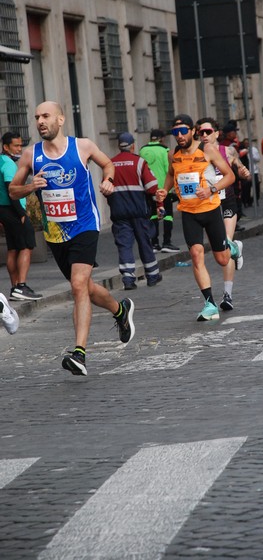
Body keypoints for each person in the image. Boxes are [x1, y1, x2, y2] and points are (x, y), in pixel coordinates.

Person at [9, 101, 135, 376]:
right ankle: (120, 311)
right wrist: (31, 185)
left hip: (84, 226)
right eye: (37, 117)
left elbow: (107, 164)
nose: (40, 121)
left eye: (45, 116)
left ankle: (79, 352)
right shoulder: (31, 155)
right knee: (85, 287)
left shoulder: (83, 146)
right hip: (55, 233)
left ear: (61, 119)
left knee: (78, 285)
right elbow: (12, 191)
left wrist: (108, 181)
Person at [156, 113, 244, 321]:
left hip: (210, 209)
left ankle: (232, 247)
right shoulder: (173, 154)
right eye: (175, 132)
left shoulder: (208, 150)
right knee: (196, 255)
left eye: (183, 131)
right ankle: (209, 303)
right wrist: (164, 190)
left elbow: (230, 176)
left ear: (192, 131)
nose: (179, 136)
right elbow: (171, 174)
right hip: (188, 212)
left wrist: (211, 189)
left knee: (222, 259)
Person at [196, 118, 250, 311]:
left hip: (227, 202)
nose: (204, 136)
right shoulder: (196, 154)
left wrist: (243, 171)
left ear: (216, 133)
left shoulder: (227, 151)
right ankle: (237, 247)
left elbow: (242, 170)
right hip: (209, 207)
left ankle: (227, 295)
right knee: (222, 253)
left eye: (208, 131)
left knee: (225, 242)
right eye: (200, 133)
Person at [108, 132, 162, 290]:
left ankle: (128, 279)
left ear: (119, 145)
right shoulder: (139, 162)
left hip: (119, 212)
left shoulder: (110, 164)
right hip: (139, 211)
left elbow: (106, 188)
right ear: (132, 145)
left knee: (124, 244)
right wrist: (159, 206)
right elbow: (152, 187)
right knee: (145, 242)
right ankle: (152, 275)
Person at [0, 132, 42, 301]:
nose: (20, 148)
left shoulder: (1, 161)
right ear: (6, 147)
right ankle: (21, 286)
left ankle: (15, 287)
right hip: (13, 209)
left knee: (13, 248)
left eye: (20, 145)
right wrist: (21, 213)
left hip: (3, 210)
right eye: (16, 146)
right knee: (27, 245)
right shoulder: (9, 164)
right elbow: (12, 190)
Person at [139, 128, 180, 253]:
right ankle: (166, 242)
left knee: (152, 215)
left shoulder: (142, 150)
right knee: (167, 216)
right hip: (163, 189)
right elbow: (170, 171)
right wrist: (172, 189)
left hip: (148, 189)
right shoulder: (165, 151)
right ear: (162, 138)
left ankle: (154, 244)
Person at [239, 138, 260, 207]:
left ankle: (256, 199)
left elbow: (258, 159)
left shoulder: (253, 149)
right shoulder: (243, 151)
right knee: (247, 188)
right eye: (245, 143)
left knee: (256, 186)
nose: (247, 145)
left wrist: (251, 155)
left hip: (254, 171)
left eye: (248, 143)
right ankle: (247, 201)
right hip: (247, 172)